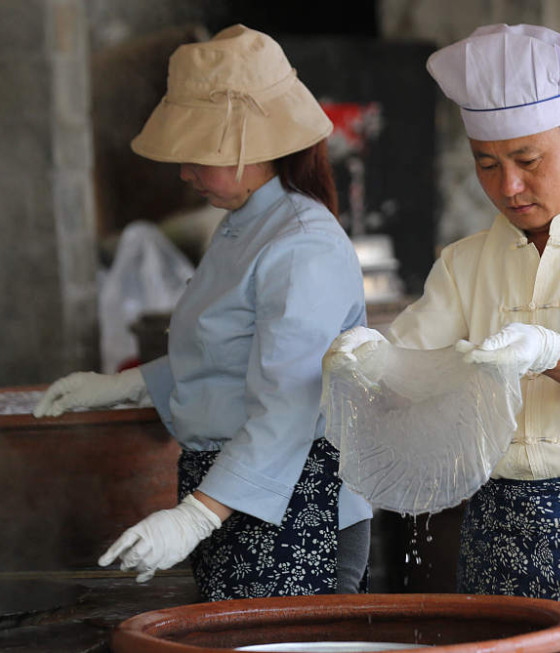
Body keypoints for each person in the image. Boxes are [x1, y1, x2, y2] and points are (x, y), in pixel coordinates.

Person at [327, 24, 560, 652]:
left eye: (528, 161)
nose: (508, 186)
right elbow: (409, 369)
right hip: (504, 527)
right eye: (488, 164)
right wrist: (366, 355)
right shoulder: (465, 263)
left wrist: (549, 349)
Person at [33, 24, 373, 601]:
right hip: (232, 492)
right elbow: (225, 355)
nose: (184, 172)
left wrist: (194, 517)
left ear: (255, 147)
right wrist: (123, 386)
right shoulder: (242, 226)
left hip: (293, 499)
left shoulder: (301, 245)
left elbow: (286, 409)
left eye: (198, 154)